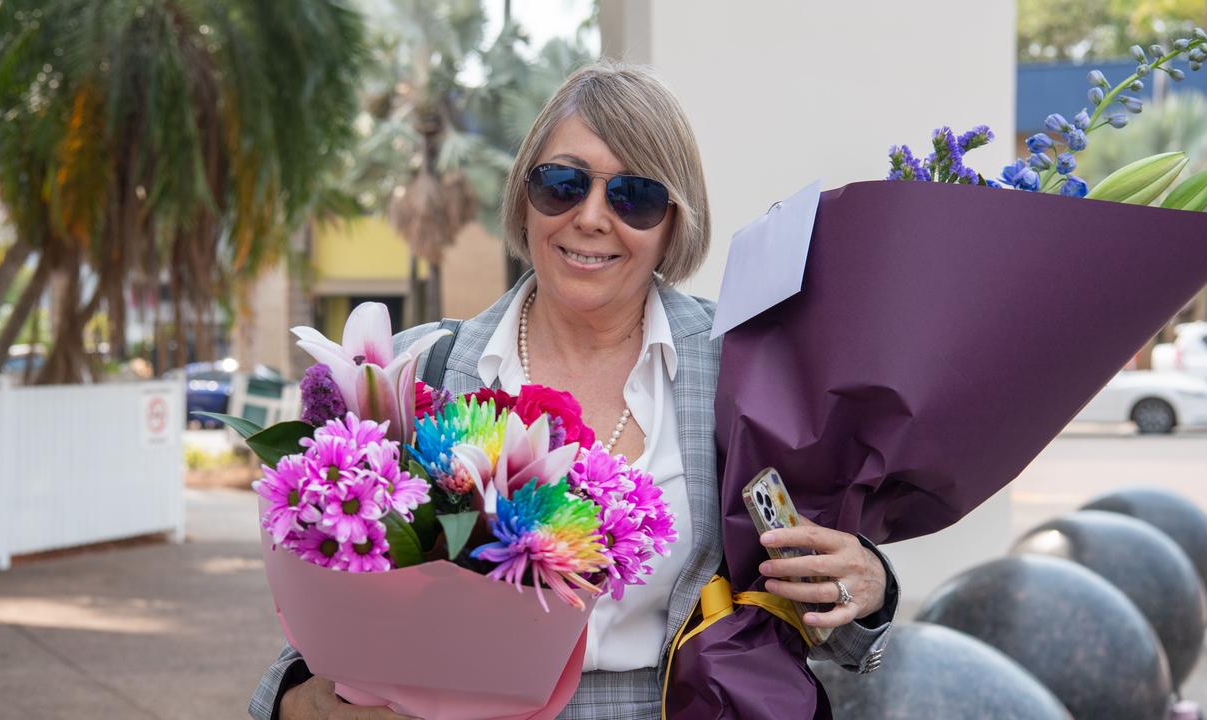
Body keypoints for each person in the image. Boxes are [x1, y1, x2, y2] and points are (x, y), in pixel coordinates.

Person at [250, 61, 898, 720]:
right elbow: (329, 601)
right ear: (524, 198)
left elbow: (820, 610)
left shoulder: (744, 368)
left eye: (634, 196)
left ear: (674, 220)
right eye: (562, 184)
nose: (590, 218)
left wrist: (867, 590)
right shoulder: (421, 370)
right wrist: (301, 702)